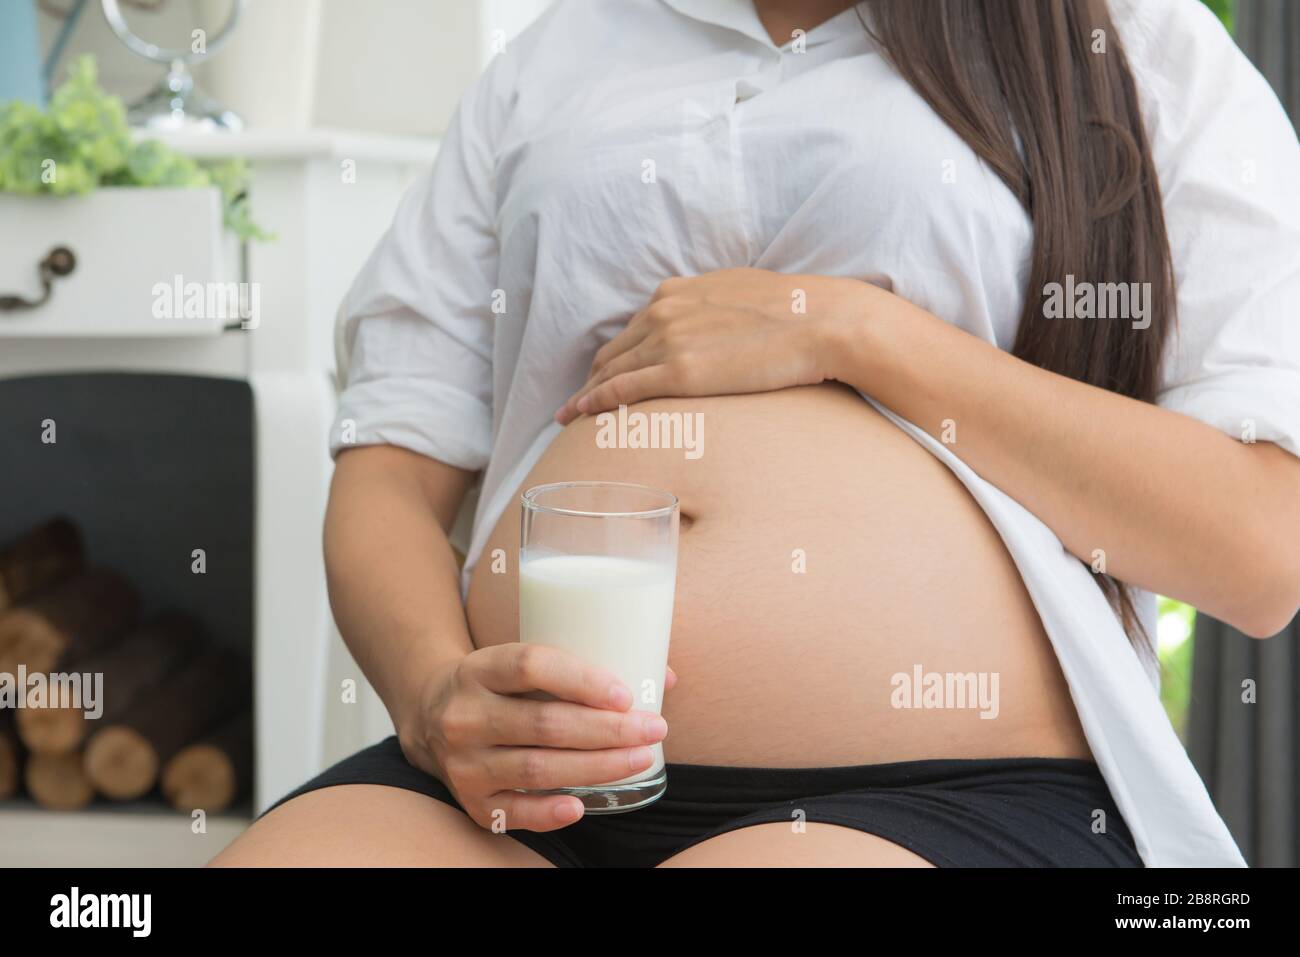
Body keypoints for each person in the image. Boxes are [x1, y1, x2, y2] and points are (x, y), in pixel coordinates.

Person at [212, 0, 1300, 867]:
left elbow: (1262, 550)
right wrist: (432, 694)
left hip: (940, 794)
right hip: (525, 793)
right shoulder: (557, 57)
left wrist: (852, 330)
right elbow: (390, 469)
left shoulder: (1128, 43)